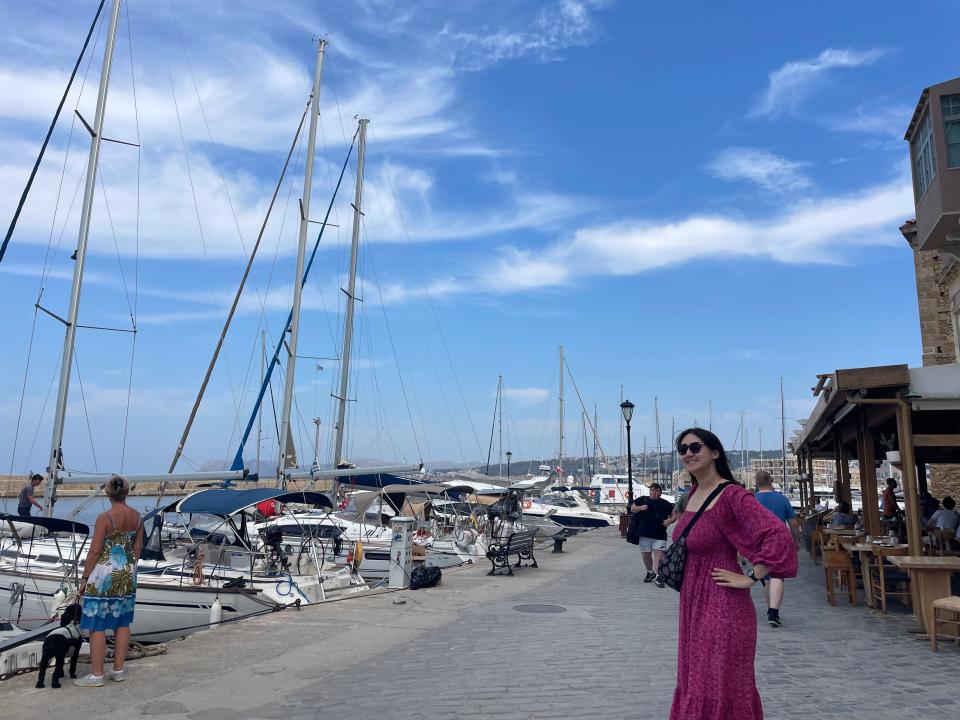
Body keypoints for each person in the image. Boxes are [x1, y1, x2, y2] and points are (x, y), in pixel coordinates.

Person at [669, 428, 796, 720]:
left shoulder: (732, 495)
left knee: (719, 683)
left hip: (722, 602)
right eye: (683, 448)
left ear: (715, 452)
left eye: (695, 446)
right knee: (696, 679)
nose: (688, 452)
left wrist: (752, 575)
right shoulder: (693, 494)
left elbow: (778, 535)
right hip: (694, 601)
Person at [74, 476, 143, 688]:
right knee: (122, 621)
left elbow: (95, 551)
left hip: (104, 571)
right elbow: (137, 549)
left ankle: (97, 675)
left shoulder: (104, 518)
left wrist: (84, 579)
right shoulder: (138, 517)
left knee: (97, 623)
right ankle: (118, 670)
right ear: (127, 492)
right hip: (127, 569)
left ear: (107, 493)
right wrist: (127, 567)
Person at [752, 470, 800, 628]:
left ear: (756, 483)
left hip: (758, 541)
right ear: (771, 482)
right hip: (779, 539)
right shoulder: (782, 499)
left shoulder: (751, 500)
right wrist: (796, 540)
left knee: (764, 577)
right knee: (777, 575)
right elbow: (793, 523)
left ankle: (770, 609)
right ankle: (774, 611)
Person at [628, 483, 674, 587]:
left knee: (659, 556)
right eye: (652, 490)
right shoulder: (642, 500)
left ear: (660, 493)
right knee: (646, 555)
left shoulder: (665, 503)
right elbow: (632, 508)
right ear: (650, 491)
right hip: (644, 534)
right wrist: (640, 508)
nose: (654, 492)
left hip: (660, 535)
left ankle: (658, 577)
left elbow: (674, 515)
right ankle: (650, 572)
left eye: (657, 491)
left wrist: (669, 521)